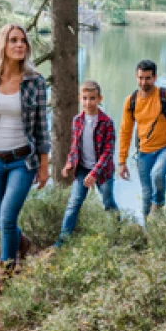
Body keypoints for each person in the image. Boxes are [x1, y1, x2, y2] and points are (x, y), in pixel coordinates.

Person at [0, 23, 50, 296]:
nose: (20, 45)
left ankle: (4, 273)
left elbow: (42, 125)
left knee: (7, 217)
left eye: (23, 41)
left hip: (23, 161)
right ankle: (23, 243)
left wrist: (44, 164)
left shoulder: (36, 82)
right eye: (13, 40)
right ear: (3, 45)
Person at [118, 59, 166, 219]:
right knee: (146, 195)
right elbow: (125, 132)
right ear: (136, 77)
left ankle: (159, 205)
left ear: (155, 77)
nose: (144, 82)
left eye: (148, 78)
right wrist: (122, 162)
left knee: (157, 174)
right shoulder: (131, 101)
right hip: (144, 153)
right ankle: (149, 233)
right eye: (141, 78)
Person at [53, 80, 118, 247]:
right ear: (79, 99)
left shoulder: (107, 122)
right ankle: (63, 241)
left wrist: (94, 174)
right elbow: (75, 147)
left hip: (102, 171)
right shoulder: (77, 120)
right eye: (85, 98)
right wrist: (69, 163)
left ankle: (117, 234)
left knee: (108, 202)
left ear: (99, 98)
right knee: (73, 203)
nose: (88, 103)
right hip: (82, 169)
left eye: (92, 98)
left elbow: (107, 153)